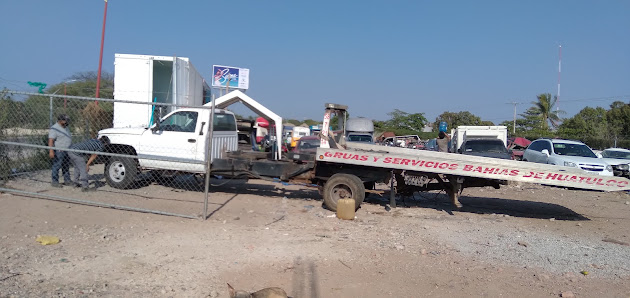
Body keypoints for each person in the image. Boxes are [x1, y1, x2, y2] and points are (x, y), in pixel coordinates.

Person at [48, 114, 72, 187]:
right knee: (57, 166)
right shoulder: (54, 128)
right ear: (60, 121)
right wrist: (51, 151)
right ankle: (55, 181)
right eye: (65, 120)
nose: (67, 122)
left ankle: (67, 180)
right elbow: (51, 140)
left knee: (66, 166)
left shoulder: (66, 127)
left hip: (67, 150)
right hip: (59, 151)